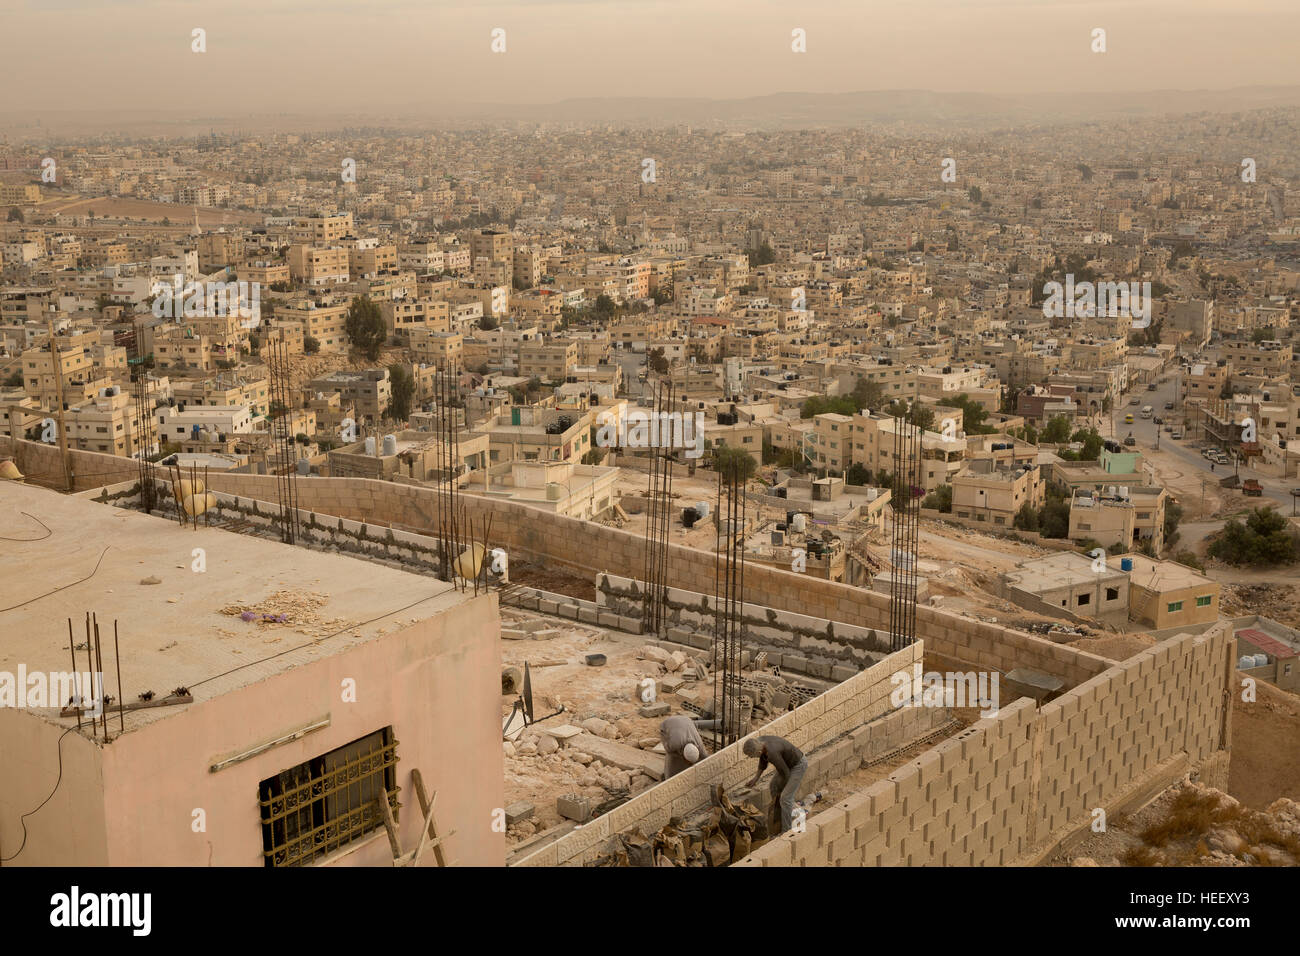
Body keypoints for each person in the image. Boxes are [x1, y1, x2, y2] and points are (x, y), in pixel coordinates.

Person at [743, 735, 808, 833]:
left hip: (797, 766)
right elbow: (763, 760)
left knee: (785, 798)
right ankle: (781, 816)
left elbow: (786, 773)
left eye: (751, 756)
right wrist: (755, 778)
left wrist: (782, 791)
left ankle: (786, 830)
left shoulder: (772, 753)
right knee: (773, 786)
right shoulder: (761, 742)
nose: (751, 757)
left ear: (759, 752)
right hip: (786, 765)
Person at [659, 715, 705, 779]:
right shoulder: (673, 745)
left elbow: (704, 756)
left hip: (687, 719)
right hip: (668, 724)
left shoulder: (699, 744)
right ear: (684, 756)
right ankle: (667, 776)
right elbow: (669, 752)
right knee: (672, 758)